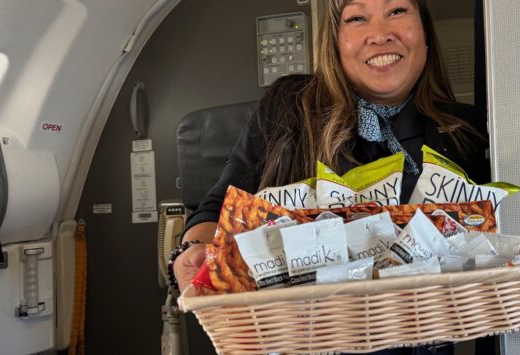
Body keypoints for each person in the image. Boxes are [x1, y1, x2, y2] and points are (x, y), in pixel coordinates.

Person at [173, 0, 494, 353]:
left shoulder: (465, 129)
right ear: (335, 42)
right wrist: (194, 248)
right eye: (357, 18)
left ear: (425, 32)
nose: (380, 34)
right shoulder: (290, 106)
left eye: (397, 11)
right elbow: (221, 205)